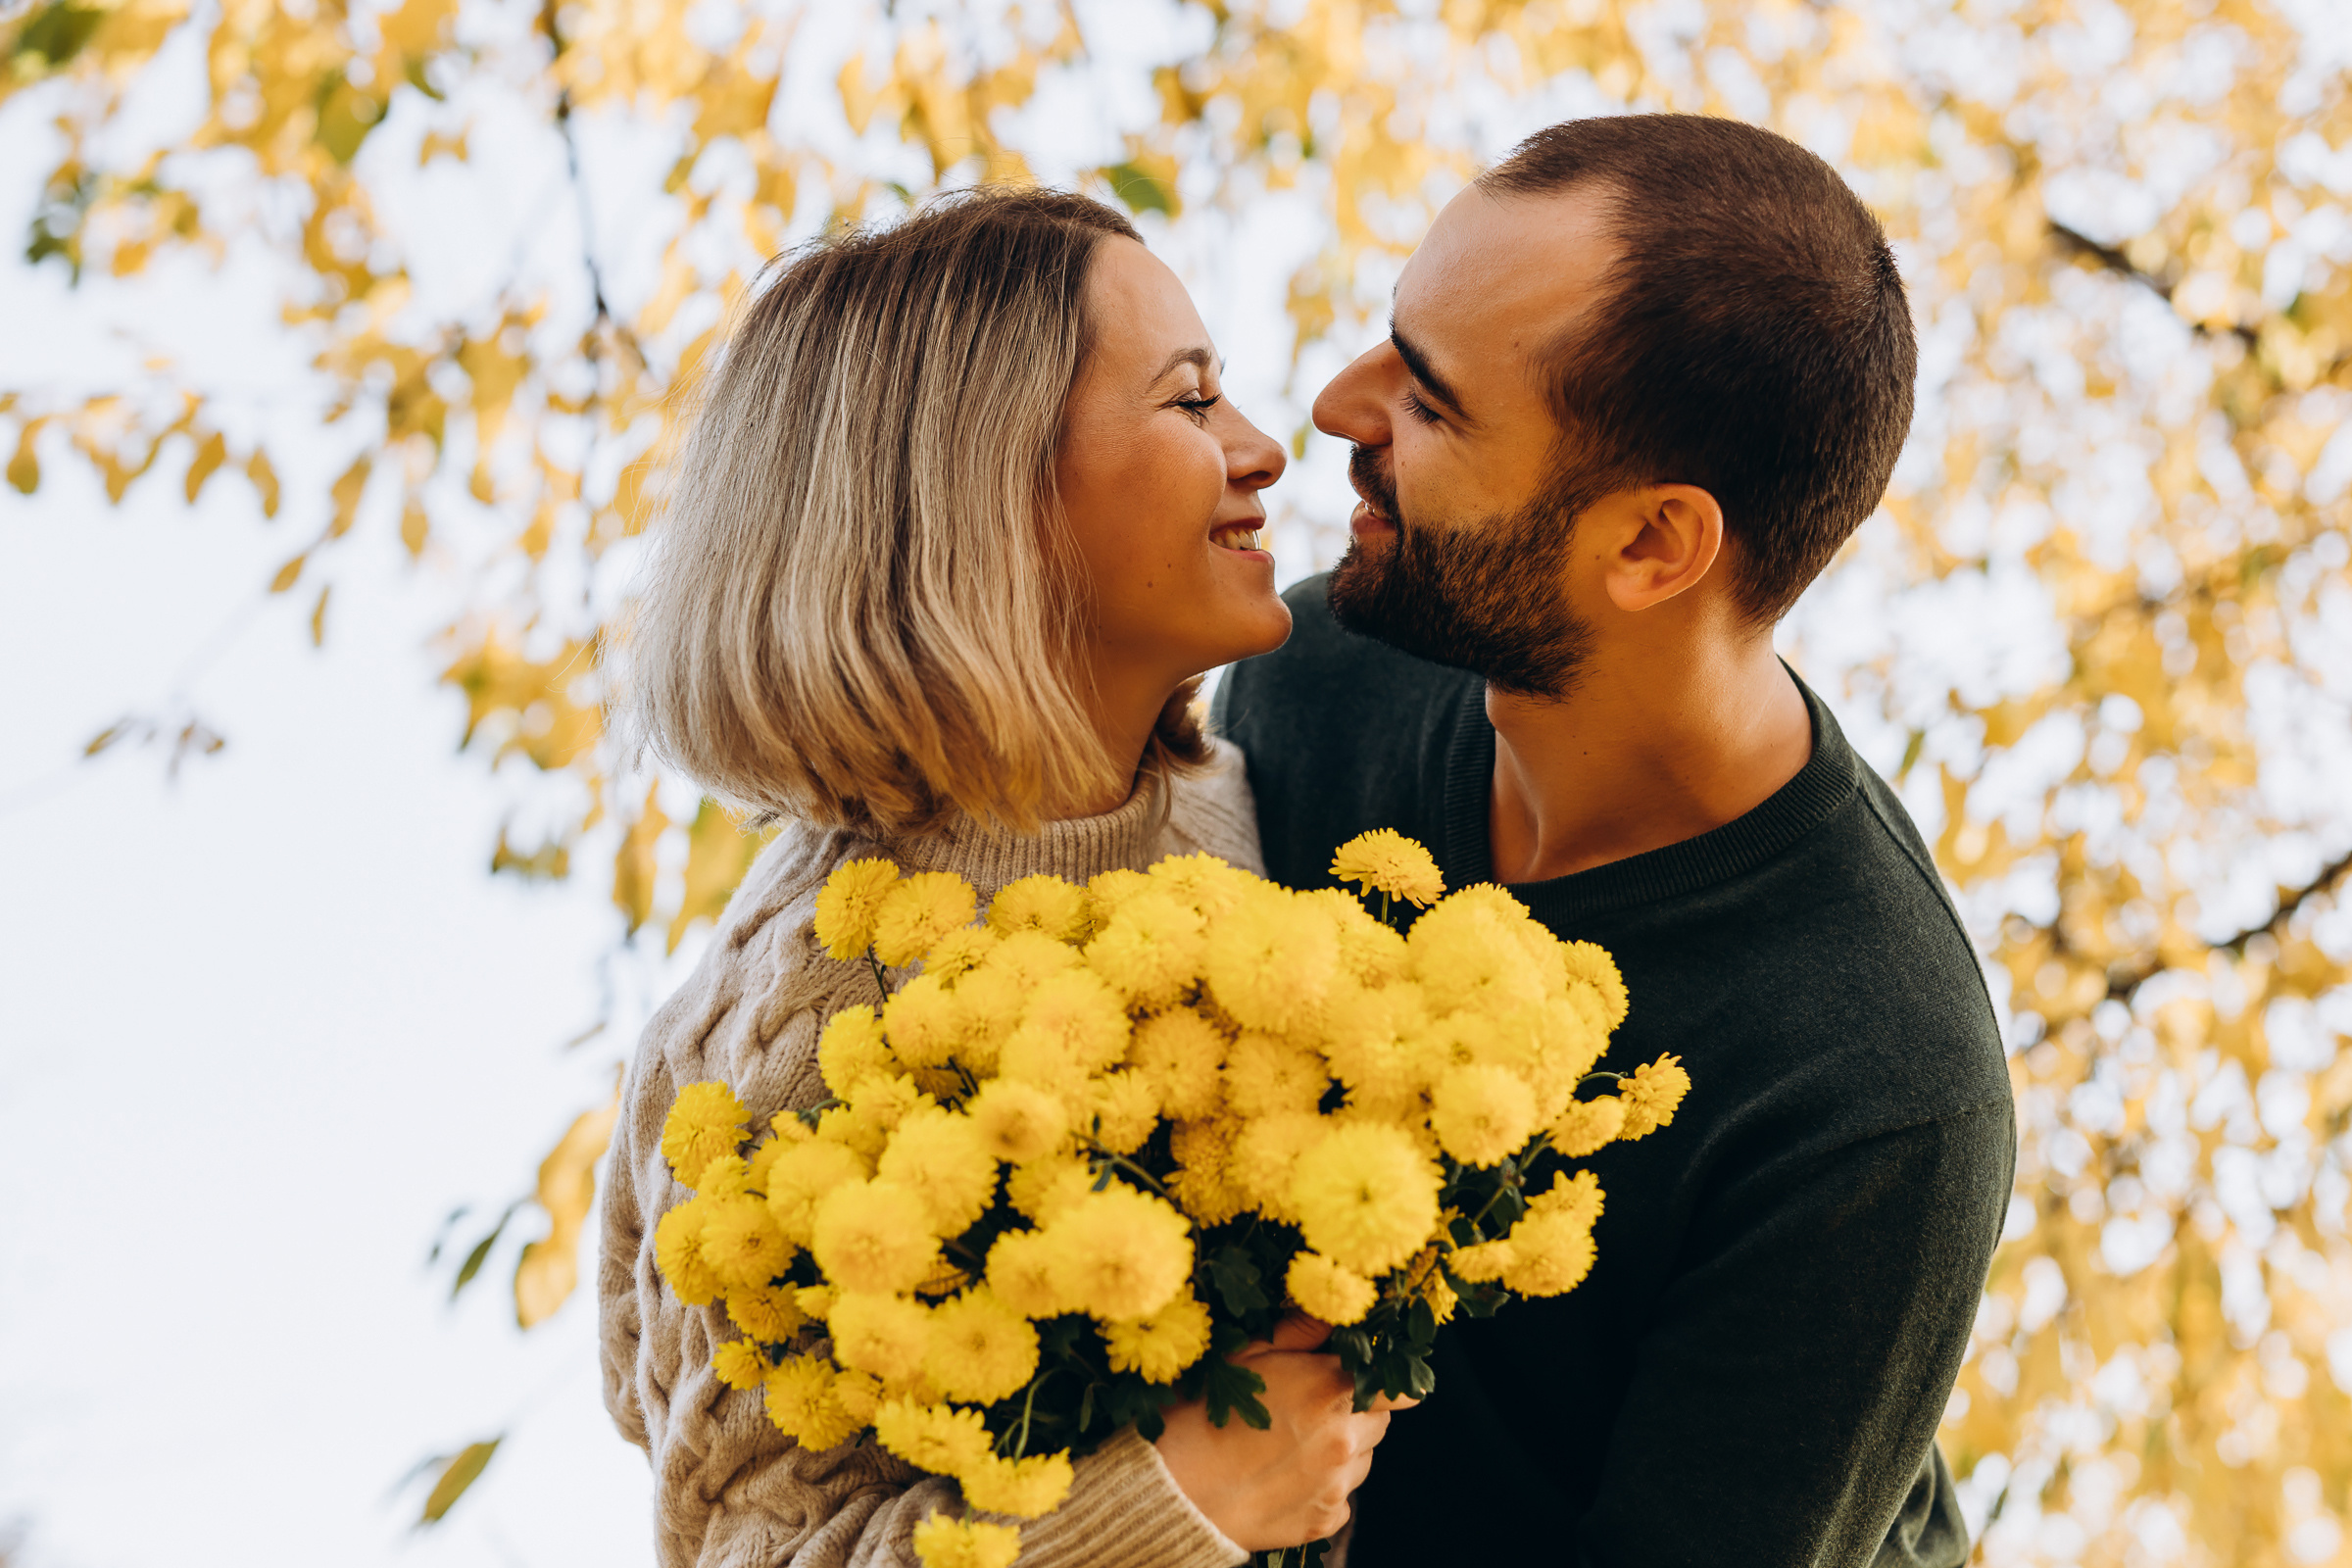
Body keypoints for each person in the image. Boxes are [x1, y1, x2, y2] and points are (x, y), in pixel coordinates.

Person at [1213, 115, 2017, 1566]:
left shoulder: (1877, 1089)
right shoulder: (1317, 672)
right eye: (1390, 343)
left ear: (1653, 545)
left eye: (1433, 403)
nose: (1335, 407)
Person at [597, 187, 1399, 1568]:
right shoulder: (793, 1040)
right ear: (990, 492)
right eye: (1191, 401)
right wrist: (1170, 1511)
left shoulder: (1243, 798)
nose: (1266, 451)